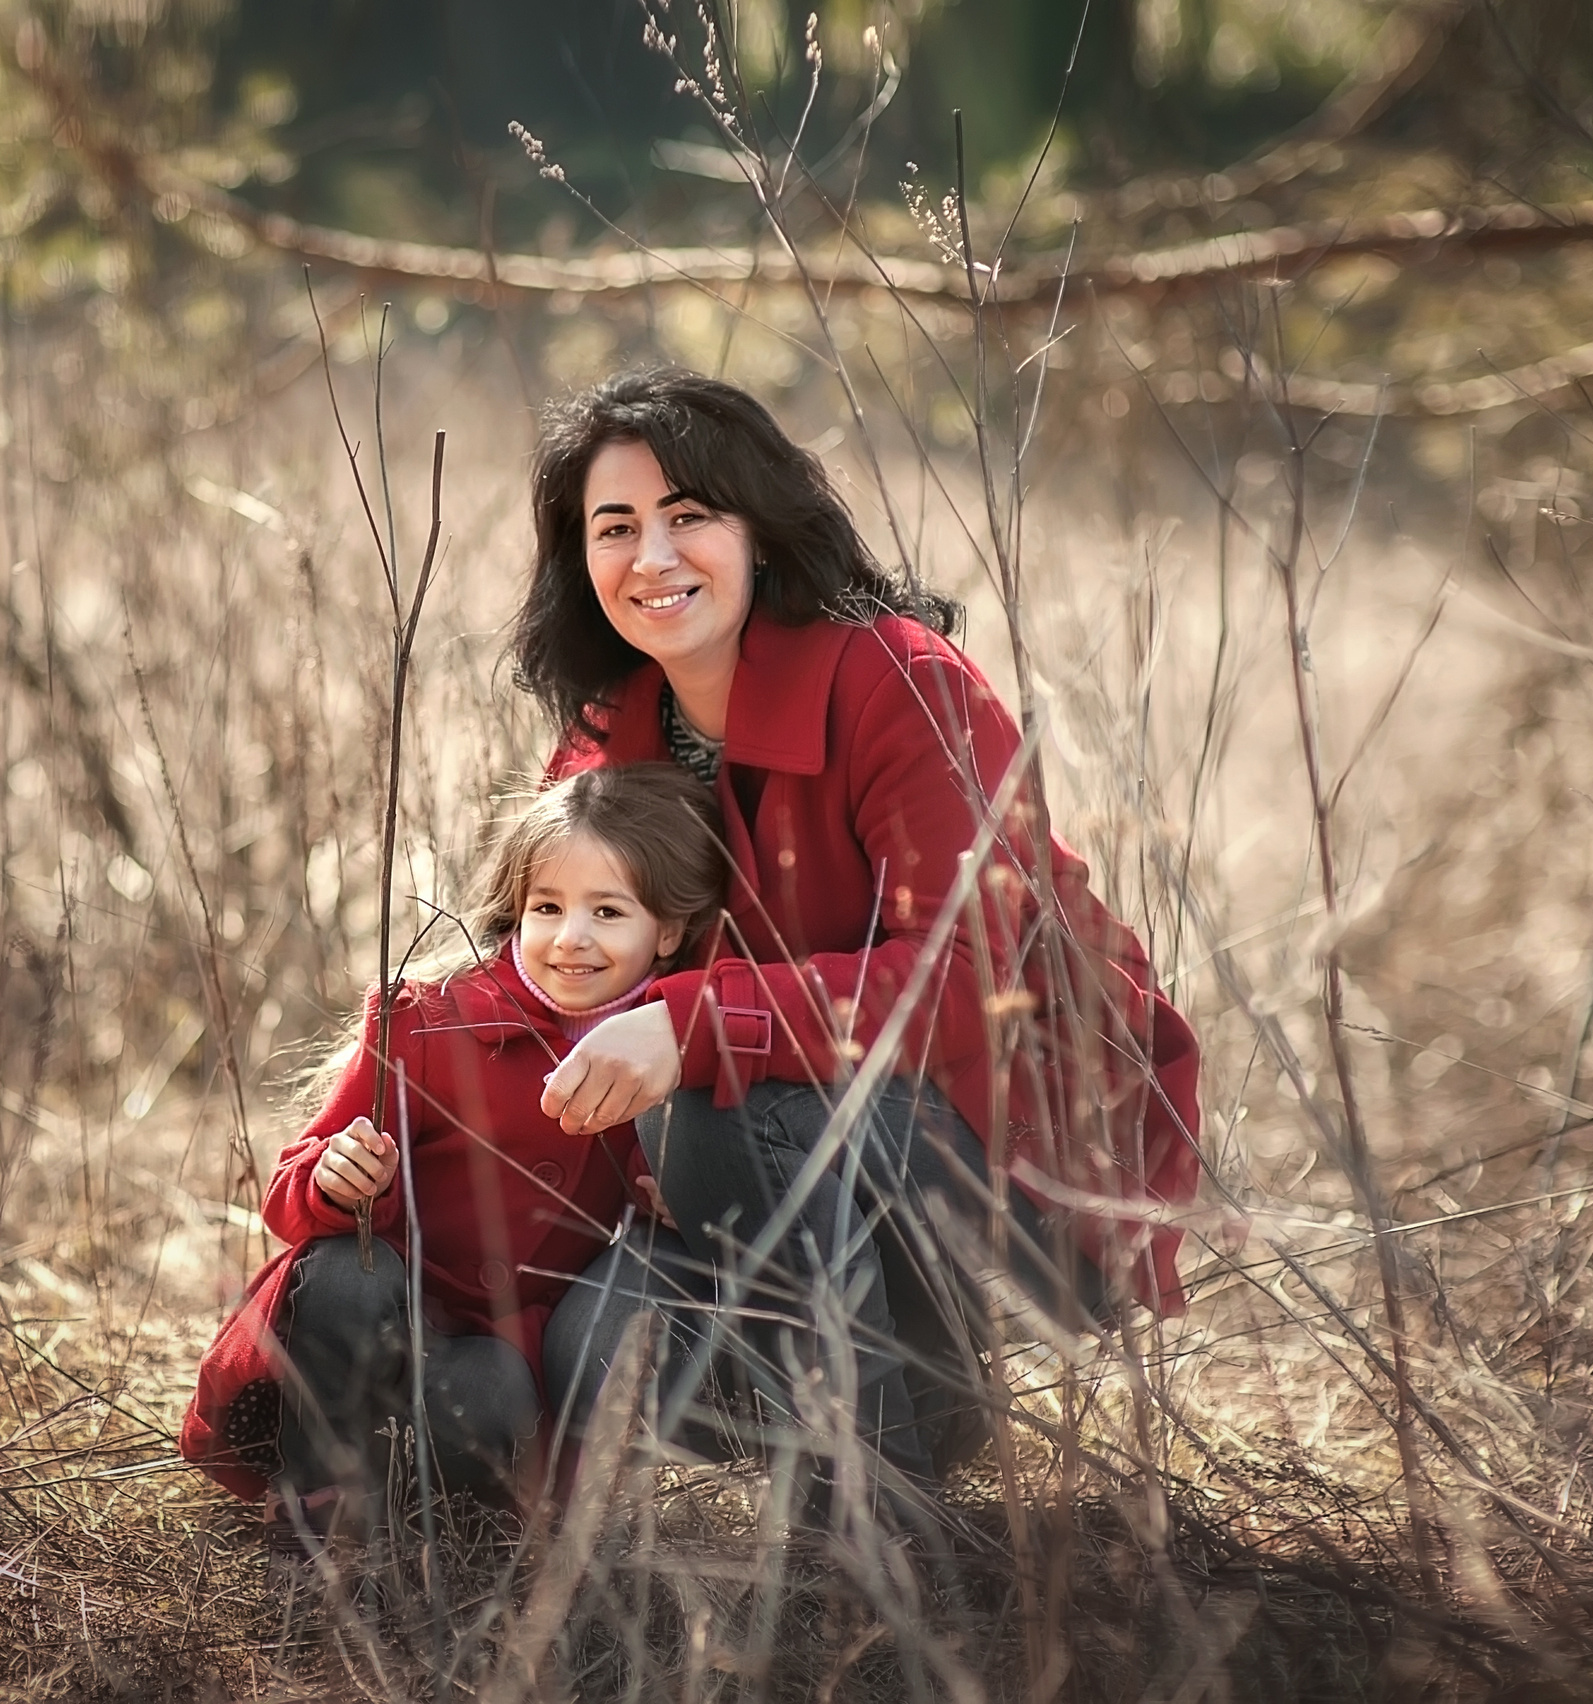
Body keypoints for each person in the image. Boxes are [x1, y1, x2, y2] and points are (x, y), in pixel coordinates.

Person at [523, 369, 1204, 1499]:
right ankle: (916, 1410)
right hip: (765, 1192)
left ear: (760, 529)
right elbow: (551, 978)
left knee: (742, 1087)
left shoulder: (899, 683)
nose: (652, 558)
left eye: (689, 516)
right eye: (616, 527)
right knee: (596, 1340)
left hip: (1012, 1170)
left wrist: (693, 1027)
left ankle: (874, 1521)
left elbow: (963, 981)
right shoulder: (610, 735)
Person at [177, 764, 729, 1540]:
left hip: (496, 1350)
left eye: (608, 911)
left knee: (497, 1392)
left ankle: (412, 1502)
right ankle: (315, 1499)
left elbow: (658, 1193)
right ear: (517, 911)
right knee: (346, 1267)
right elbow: (291, 1188)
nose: (572, 937)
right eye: (548, 907)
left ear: (667, 931)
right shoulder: (426, 1021)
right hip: (377, 1318)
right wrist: (337, 1180)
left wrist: (670, 1193)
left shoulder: (663, 1059)